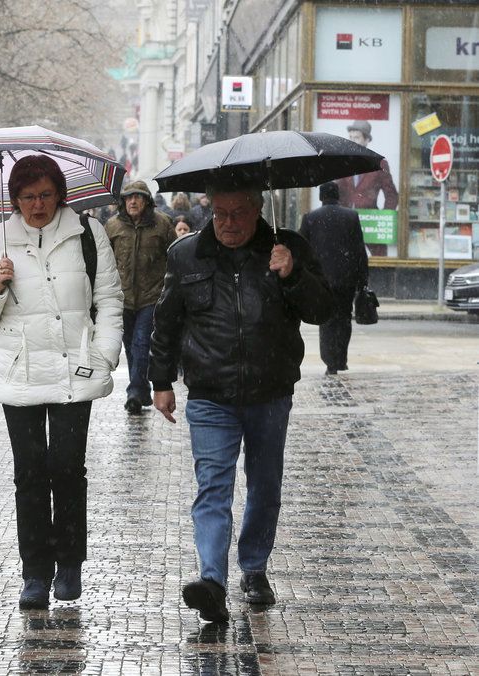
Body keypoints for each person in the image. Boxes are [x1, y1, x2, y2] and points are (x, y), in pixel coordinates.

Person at [149, 184, 333, 623]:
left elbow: (323, 309)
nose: (228, 223)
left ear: (258, 210)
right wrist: (159, 380)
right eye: (220, 213)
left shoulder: (287, 248)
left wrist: (293, 276)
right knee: (213, 486)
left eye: (239, 213)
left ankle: (253, 567)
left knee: (265, 485)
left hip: (270, 392)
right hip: (211, 392)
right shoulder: (186, 254)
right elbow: (167, 320)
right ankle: (212, 581)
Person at [0, 155, 123, 610]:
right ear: (14, 199)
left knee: (68, 469)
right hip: (20, 373)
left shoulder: (87, 234)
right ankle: (35, 572)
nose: (38, 205)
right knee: (30, 474)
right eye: (28, 197)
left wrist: (105, 354)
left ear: (61, 195)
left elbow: (110, 298)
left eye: (46, 195)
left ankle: (69, 562)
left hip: (77, 370)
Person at [103, 180, 176, 414]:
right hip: (122, 297)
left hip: (151, 296)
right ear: (124, 202)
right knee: (131, 347)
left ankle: (134, 392)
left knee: (142, 344)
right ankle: (142, 389)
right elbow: (104, 262)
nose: (133, 201)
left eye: (138, 197)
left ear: (146, 201)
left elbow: (175, 255)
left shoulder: (162, 224)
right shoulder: (112, 226)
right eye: (128, 197)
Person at [299, 182, 369, 375]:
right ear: (338, 196)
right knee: (344, 319)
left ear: (322, 197)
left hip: (322, 280)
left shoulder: (311, 218)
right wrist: (363, 280)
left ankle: (330, 360)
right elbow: (359, 251)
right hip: (346, 279)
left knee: (327, 320)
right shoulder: (351, 217)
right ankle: (340, 358)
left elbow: (301, 249)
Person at [335, 120, 398, 212]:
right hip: (344, 219)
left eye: (356, 138)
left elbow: (391, 195)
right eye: (350, 137)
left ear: (367, 140)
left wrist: (383, 218)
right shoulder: (342, 163)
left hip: (369, 219)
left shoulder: (379, 164)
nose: (352, 141)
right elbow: (332, 193)